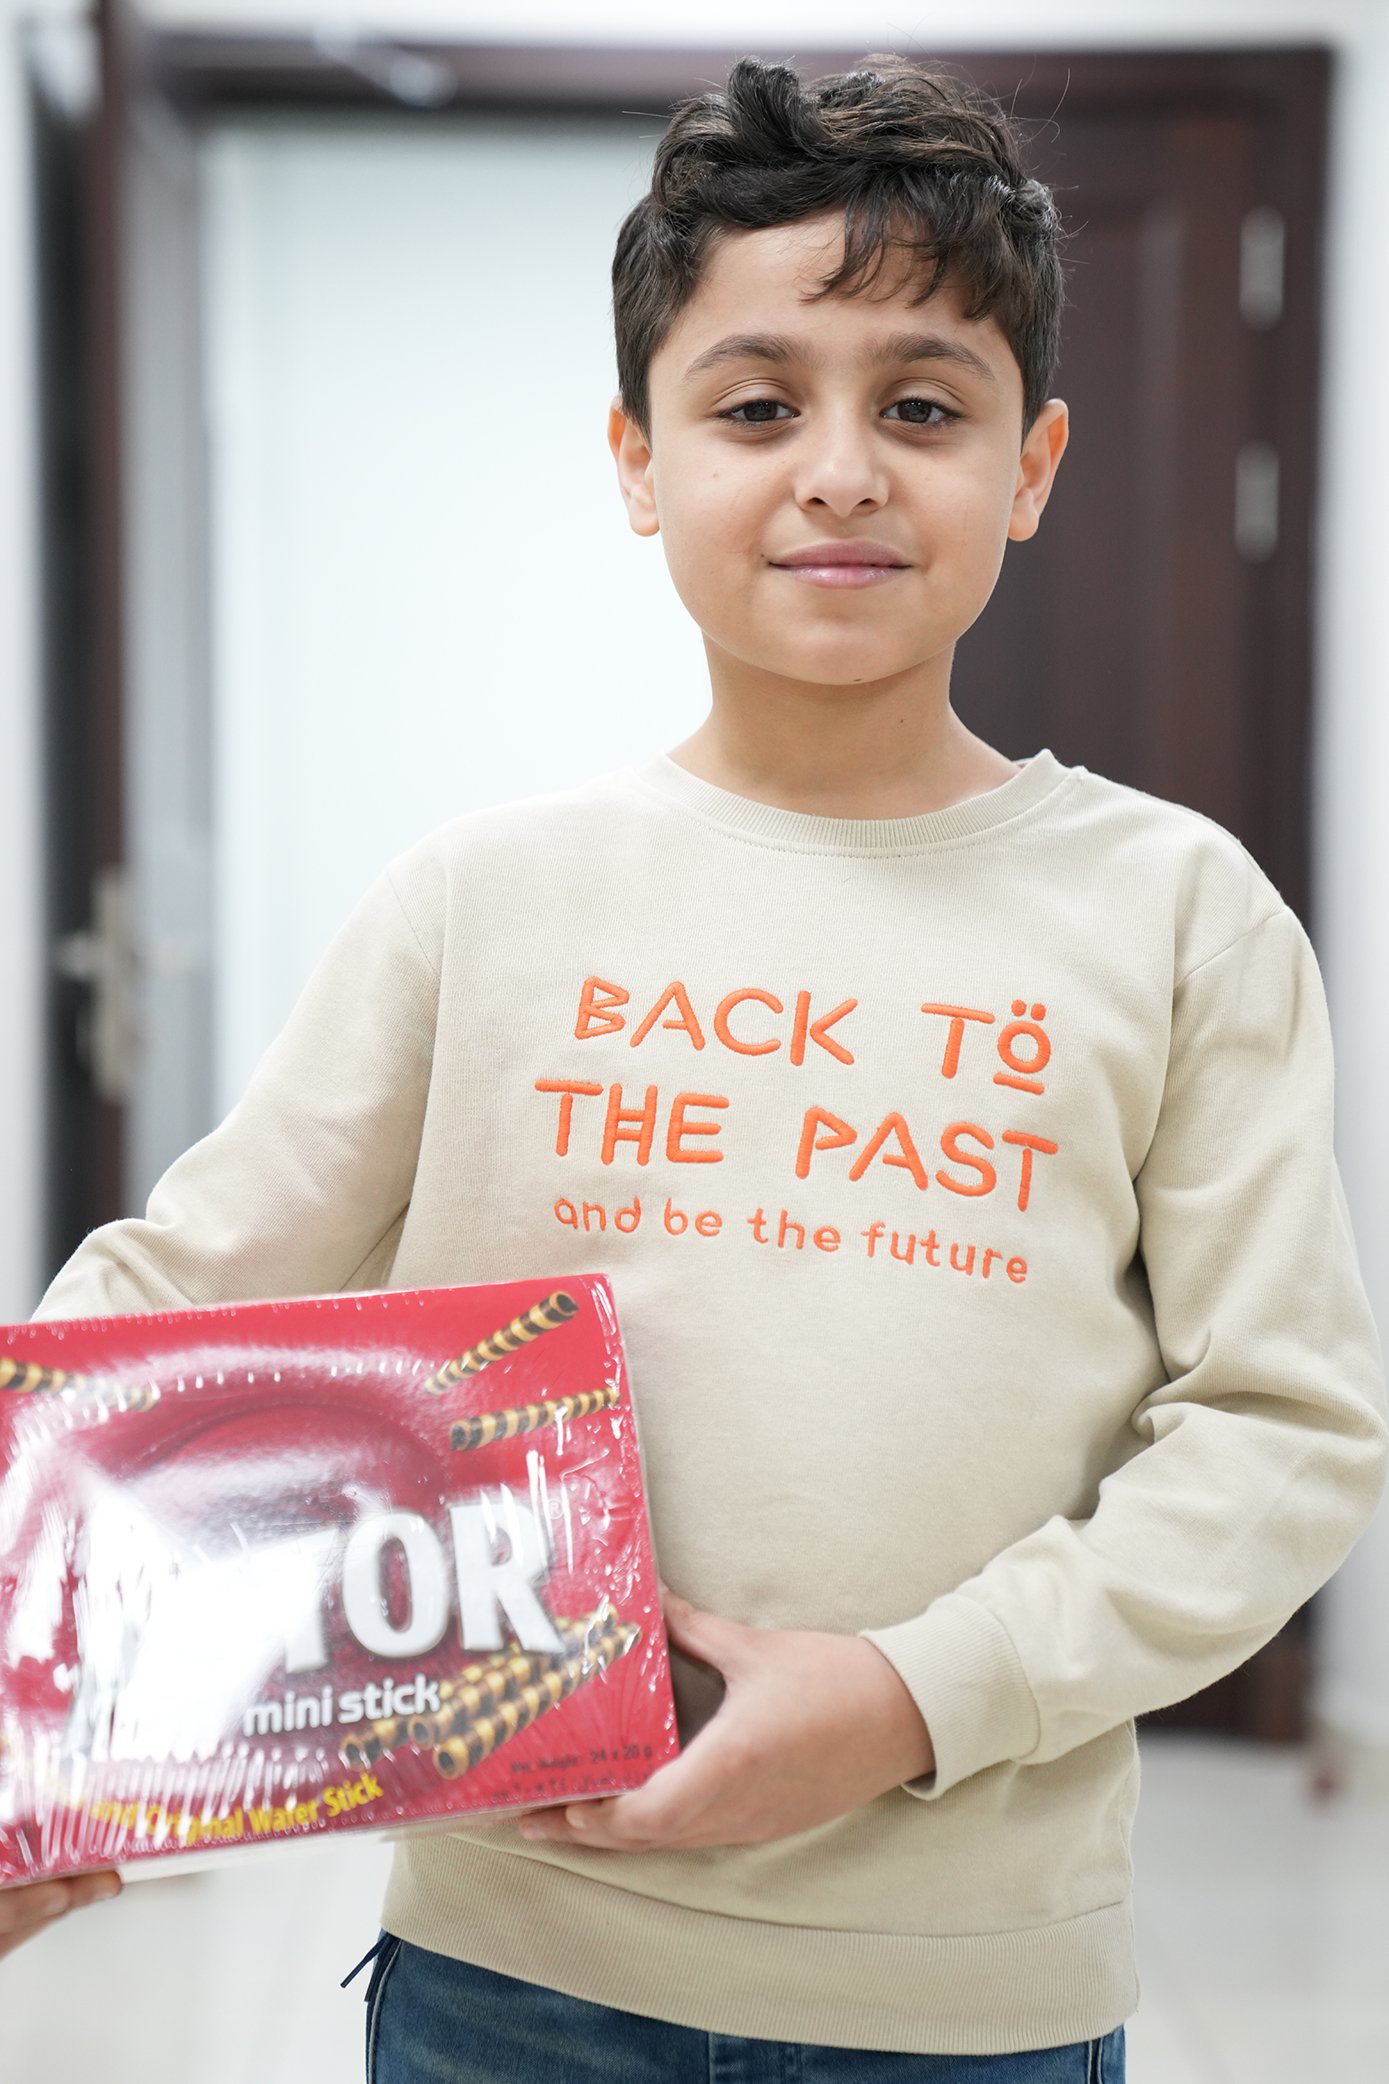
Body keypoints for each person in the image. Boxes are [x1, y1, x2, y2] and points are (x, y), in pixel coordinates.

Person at [13, 48, 1388, 2084]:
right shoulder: (482, 900)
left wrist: (911, 1696)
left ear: (1029, 465)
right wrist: (38, 1703)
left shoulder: (1178, 918)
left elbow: (1279, 1435)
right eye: (755, 406)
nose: (839, 470)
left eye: (921, 406)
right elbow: (165, 1309)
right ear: (637, 460)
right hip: (509, 1976)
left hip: (965, 2002)